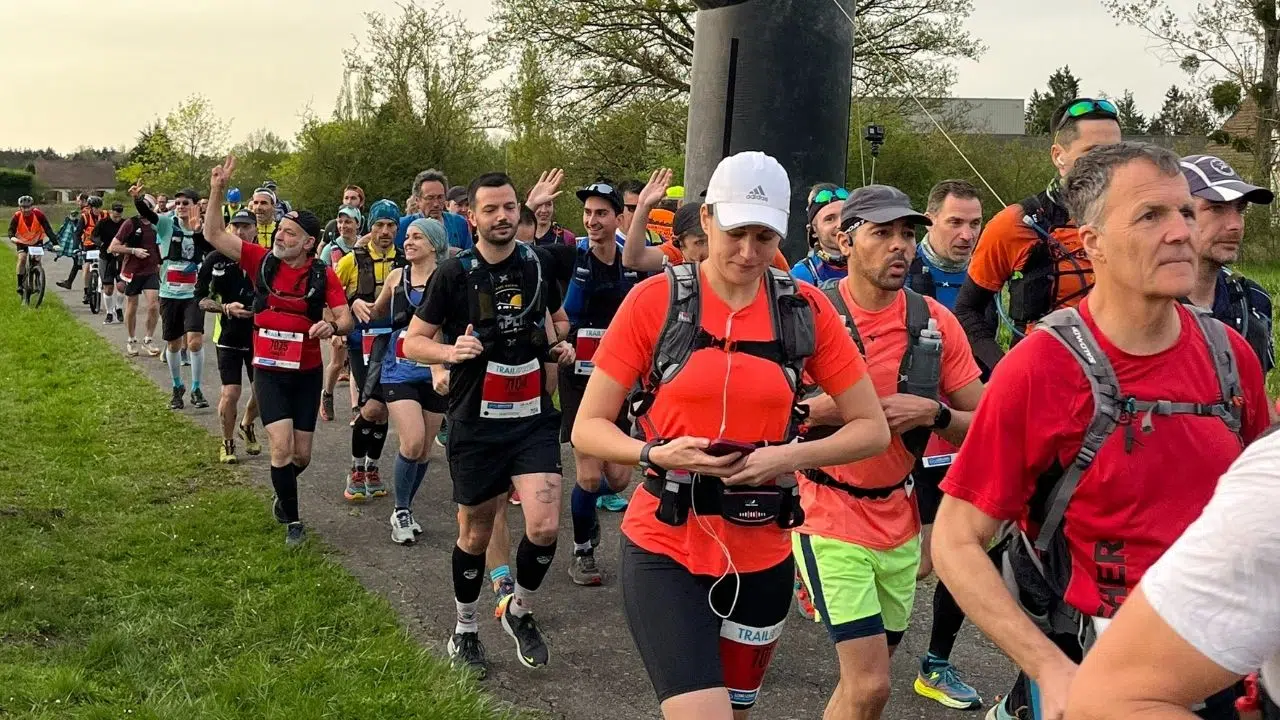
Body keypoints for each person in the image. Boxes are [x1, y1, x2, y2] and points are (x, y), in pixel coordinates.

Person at [932, 142, 1272, 720]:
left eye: (1186, 212)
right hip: (1098, 667)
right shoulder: (1043, 366)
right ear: (1092, 245)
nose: (1180, 232)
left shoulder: (1228, 354)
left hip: (1225, 665)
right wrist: (1048, 669)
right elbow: (956, 540)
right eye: (1150, 216)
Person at [571, 151, 892, 720]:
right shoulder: (656, 300)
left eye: (765, 237)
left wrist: (785, 457)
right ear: (709, 219)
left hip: (763, 549)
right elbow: (587, 428)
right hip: (665, 541)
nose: (748, 252)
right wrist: (654, 450)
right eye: (736, 232)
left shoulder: (803, 308)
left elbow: (871, 429)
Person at [793, 184, 985, 720]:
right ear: (846, 240)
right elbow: (765, 411)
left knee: (864, 689)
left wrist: (935, 415)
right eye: (882, 233)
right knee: (872, 684)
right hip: (825, 510)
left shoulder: (933, 323)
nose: (899, 246)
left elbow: (988, 426)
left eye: (907, 233)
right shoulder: (809, 314)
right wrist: (832, 409)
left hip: (898, 516)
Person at [402, 172, 575, 678]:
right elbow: (412, 342)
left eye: (509, 208)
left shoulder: (537, 264)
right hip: (476, 420)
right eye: (491, 210)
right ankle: (465, 628)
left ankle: (517, 610)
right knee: (475, 534)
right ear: (471, 218)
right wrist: (449, 351)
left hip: (532, 418)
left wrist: (557, 344)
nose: (501, 217)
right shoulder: (454, 273)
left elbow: (554, 322)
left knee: (543, 527)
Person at [1065, 429, 1280, 720]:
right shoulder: (1271, 478)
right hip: (1119, 608)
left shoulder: (1235, 382)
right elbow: (1108, 702)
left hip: (1215, 616)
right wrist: (1044, 663)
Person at [204, 156, 354, 547]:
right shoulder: (261, 260)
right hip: (269, 370)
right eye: (279, 230)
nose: (279, 237)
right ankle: (294, 522)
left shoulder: (323, 274)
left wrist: (332, 326)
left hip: (305, 373)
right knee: (281, 446)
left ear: (308, 243)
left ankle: (281, 491)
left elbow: (346, 317)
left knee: (300, 456)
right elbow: (215, 234)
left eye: (289, 233)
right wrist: (217, 188)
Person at [954, 98, 1122, 372]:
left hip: (1124, 381)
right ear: (1059, 156)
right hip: (1044, 376)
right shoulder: (1017, 223)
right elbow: (967, 311)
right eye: (1092, 152)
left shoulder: (1139, 220)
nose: (1106, 163)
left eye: (1116, 152)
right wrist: (1006, 370)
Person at [905, 178, 987, 711]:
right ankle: (815, 557)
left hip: (962, 431)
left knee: (960, 551)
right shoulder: (903, 272)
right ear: (931, 220)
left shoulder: (986, 279)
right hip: (904, 436)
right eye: (955, 222)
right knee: (922, 561)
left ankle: (935, 662)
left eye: (974, 224)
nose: (966, 234)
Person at [558, 180, 643, 586]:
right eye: (588, 213)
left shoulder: (633, 261)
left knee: (620, 478)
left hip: (618, 375)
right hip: (577, 373)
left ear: (618, 218)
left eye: (601, 213)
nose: (593, 221)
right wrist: (561, 341)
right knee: (589, 476)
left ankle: (587, 511)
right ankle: (582, 550)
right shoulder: (572, 256)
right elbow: (560, 309)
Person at [353, 217, 449, 544]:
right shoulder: (397, 276)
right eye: (406, 237)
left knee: (422, 451)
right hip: (398, 368)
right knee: (411, 441)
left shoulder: (447, 278)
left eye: (416, 238)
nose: (407, 242)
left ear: (434, 244)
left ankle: (406, 506)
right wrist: (353, 305)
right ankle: (401, 509)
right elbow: (375, 310)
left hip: (437, 371)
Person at [1179, 154, 1275, 376]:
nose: (1235, 225)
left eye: (1240, 209)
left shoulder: (1253, 300)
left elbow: (1257, 396)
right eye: (1217, 208)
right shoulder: (1146, 304)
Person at [337, 200, 401, 501]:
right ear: (369, 228)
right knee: (371, 408)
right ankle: (356, 469)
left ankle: (372, 468)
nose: (385, 231)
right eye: (379, 225)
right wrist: (348, 310)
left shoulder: (406, 260)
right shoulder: (351, 261)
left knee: (384, 409)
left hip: (395, 343)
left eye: (390, 226)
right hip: (361, 343)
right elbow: (330, 300)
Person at [623, 169, 793, 274]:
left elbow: (790, 288)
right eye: (699, 242)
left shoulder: (764, 251)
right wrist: (643, 207)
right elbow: (633, 260)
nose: (747, 253)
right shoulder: (680, 252)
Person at [195, 209, 262, 464]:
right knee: (231, 393)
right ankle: (227, 442)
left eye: (246, 226)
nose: (240, 231)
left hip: (259, 334)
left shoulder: (266, 257)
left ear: (256, 229)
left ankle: (246, 424)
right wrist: (224, 308)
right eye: (236, 226)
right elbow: (200, 297)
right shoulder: (215, 259)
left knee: (262, 393)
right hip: (228, 335)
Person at [139, 187, 213, 411]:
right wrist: (136, 198)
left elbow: (210, 251)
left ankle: (196, 388)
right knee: (172, 344)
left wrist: (197, 232)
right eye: (178, 203)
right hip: (170, 294)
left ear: (195, 206)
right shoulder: (165, 224)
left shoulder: (203, 227)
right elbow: (147, 213)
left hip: (193, 294)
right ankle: (176, 386)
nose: (181, 206)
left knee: (195, 341)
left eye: (186, 203)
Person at [319, 205, 362, 422]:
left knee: (355, 360)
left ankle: (356, 407)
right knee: (337, 361)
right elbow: (323, 286)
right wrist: (332, 324)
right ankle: (327, 394)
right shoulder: (330, 250)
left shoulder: (364, 246)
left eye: (348, 221)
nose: (344, 226)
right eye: (340, 222)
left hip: (357, 310)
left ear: (358, 224)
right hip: (336, 311)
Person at [111, 187, 163, 358]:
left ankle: (148, 339)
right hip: (132, 271)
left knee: (154, 305)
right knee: (132, 306)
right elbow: (113, 247)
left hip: (151, 270)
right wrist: (134, 251)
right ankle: (131, 339)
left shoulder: (157, 225)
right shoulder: (130, 223)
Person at [395, 169, 473, 253]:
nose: (436, 204)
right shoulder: (403, 226)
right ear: (417, 200)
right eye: (430, 198)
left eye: (440, 197)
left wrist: (458, 256)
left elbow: (471, 258)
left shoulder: (458, 223)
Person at [790, 184, 849, 285]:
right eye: (829, 219)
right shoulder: (802, 275)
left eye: (845, 216)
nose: (840, 224)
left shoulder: (872, 264)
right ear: (813, 231)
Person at [9, 195, 60, 296]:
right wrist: (13, 238)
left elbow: (48, 229)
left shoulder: (39, 214)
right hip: (22, 241)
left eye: (28, 207)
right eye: (23, 207)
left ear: (32, 207)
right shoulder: (17, 216)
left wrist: (55, 243)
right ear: (20, 207)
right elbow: (11, 230)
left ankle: (38, 280)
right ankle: (20, 284)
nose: (26, 210)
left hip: (36, 240)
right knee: (22, 258)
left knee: (37, 259)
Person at [57, 195, 106, 295]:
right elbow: (77, 233)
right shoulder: (85, 216)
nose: (98, 210)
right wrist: (76, 248)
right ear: (91, 207)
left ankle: (105, 282)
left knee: (106, 262)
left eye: (99, 207)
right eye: (96, 207)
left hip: (102, 243)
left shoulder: (105, 215)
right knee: (86, 265)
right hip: (88, 244)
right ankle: (86, 291)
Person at [94, 202, 127, 324]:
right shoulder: (103, 223)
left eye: (119, 216)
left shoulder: (125, 223)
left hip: (120, 258)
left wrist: (124, 247)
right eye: (115, 216)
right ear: (111, 212)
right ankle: (109, 312)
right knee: (108, 288)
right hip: (106, 257)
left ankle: (118, 308)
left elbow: (130, 238)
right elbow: (94, 237)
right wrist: (103, 245)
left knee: (121, 286)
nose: (117, 218)